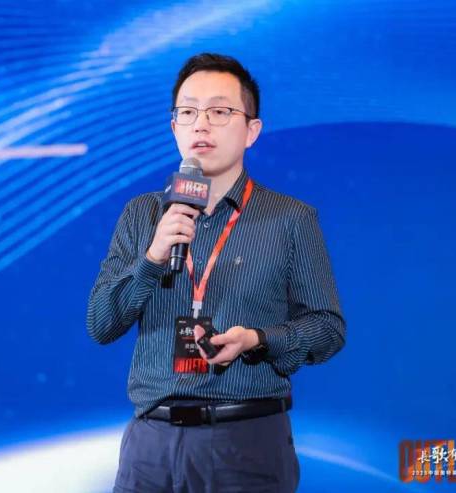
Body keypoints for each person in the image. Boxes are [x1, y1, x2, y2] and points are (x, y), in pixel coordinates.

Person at [87, 53, 346, 493]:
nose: (201, 125)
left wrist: (259, 340)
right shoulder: (142, 215)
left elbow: (327, 329)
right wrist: (152, 258)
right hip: (151, 448)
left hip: (245, 443)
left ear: (251, 131)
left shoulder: (290, 219)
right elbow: (101, 324)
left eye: (219, 111)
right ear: (174, 127)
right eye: (187, 112)